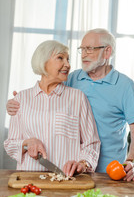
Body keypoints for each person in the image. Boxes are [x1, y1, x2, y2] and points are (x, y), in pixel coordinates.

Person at [6, 29, 134, 181]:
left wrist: (131, 162)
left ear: (107, 52)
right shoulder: (73, 78)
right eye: (82, 49)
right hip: (74, 172)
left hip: (110, 170)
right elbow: (46, 89)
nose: (84, 54)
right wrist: (16, 103)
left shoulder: (125, 86)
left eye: (90, 49)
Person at [4, 40, 100, 177]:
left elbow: (92, 142)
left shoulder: (77, 98)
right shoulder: (21, 99)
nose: (67, 64)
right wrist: (27, 143)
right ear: (43, 61)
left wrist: (83, 163)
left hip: (67, 180)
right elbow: (10, 144)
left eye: (68, 59)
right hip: (29, 179)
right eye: (60, 58)